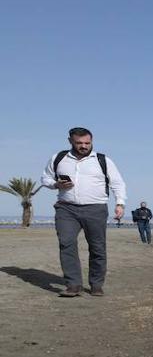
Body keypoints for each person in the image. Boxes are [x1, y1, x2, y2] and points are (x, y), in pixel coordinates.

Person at [41, 127, 127, 297]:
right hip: (66, 208)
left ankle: (96, 284)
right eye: (79, 143)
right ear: (70, 141)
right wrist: (56, 184)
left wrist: (120, 204)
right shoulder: (59, 158)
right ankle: (73, 285)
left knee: (97, 247)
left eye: (87, 143)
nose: (84, 146)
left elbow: (118, 183)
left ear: (91, 141)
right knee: (66, 244)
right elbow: (45, 178)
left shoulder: (103, 160)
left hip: (96, 209)